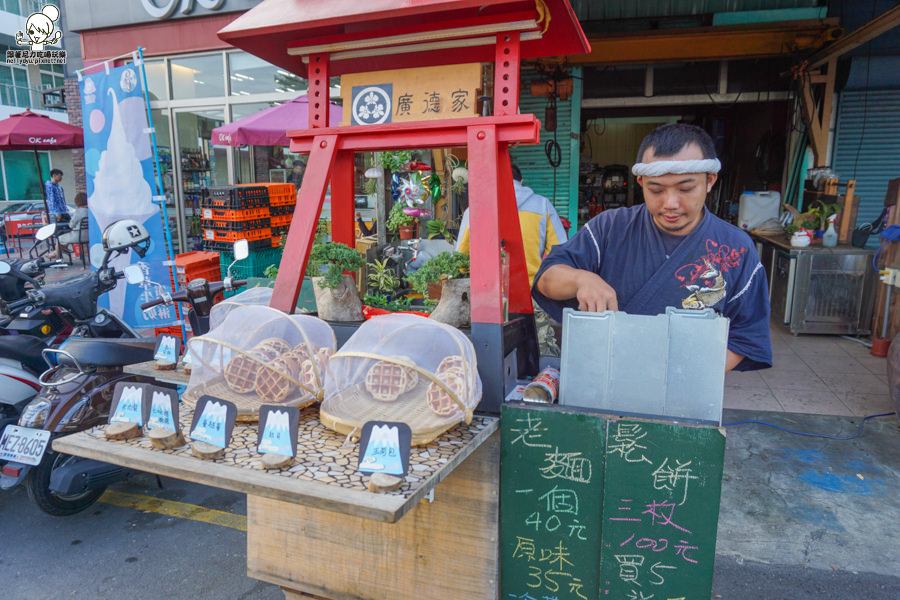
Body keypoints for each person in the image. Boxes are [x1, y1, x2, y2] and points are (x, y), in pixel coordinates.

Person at [533, 123, 772, 372]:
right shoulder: (610, 227)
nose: (670, 203)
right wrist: (581, 279)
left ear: (710, 180)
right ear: (641, 182)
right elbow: (546, 279)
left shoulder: (735, 248)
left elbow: (746, 335)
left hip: (685, 393)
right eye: (656, 189)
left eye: (685, 189)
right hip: (603, 381)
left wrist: (686, 378)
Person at [456, 163, 568, 354]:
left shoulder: (474, 209)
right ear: (521, 182)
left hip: (486, 299)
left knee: (488, 354)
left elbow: (460, 259)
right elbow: (561, 252)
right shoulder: (542, 205)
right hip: (532, 295)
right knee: (537, 354)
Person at [48, 192, 87, 260]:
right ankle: (55, 253)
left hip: (78, 236)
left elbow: (71, 225)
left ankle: (57, 258)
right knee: (65, 240)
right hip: (89, 236)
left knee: (59, 239)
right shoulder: (90, 211)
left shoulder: (78, 212)